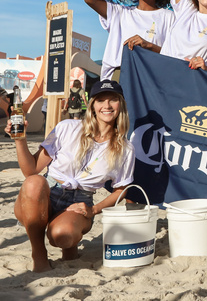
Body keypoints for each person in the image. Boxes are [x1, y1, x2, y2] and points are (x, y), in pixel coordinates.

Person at [8, 80, 135, 272]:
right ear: (92, 105)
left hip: (80, 200)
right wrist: (20, 140)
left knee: (63, 236)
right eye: (101, 100)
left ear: (121, 105)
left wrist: (95, 209)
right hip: (45, 195)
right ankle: (39, 254)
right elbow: (30, 170)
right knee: (34, 182)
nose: (107, 106)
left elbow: (121, 188)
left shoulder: (125, 149)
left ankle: (70, 245)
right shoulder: (67, 127)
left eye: (113, 100)